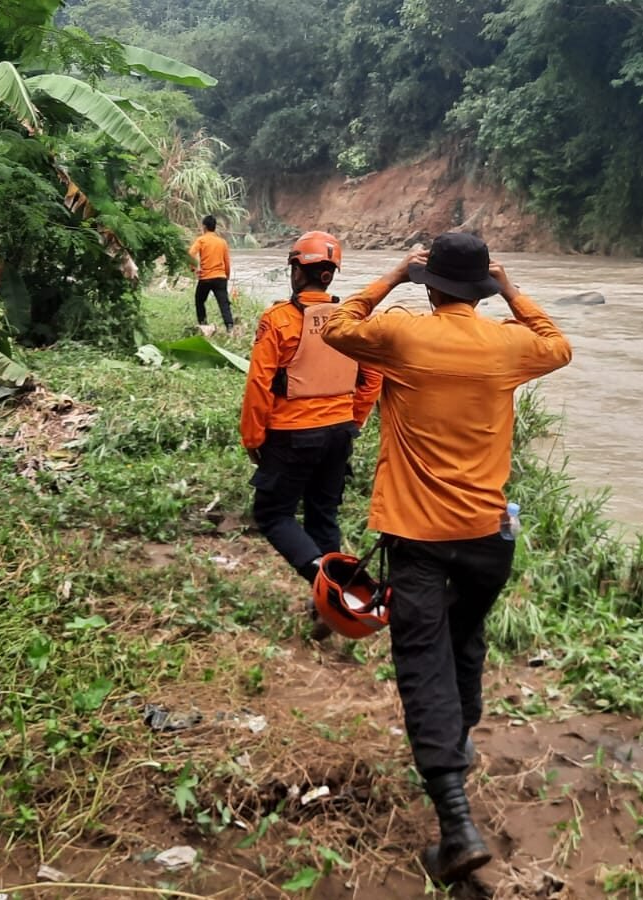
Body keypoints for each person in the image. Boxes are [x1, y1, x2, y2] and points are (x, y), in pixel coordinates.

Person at [322, 232, 572, 885]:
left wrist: (393, 276)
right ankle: (459, 741)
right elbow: (558, 344)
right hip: (489, 540)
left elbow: (337, 326)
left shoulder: (403, 337)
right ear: (482, 289)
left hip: (419, 539)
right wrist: (512, 290)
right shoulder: (509, 346)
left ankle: (456, 826)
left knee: (423, 666)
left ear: (429, 284)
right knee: (464, 641)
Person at [241, 231, 382, 636]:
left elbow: (259, 383)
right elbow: (373, 377)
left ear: (298, 272)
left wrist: (253, 438)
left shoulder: (278, 320)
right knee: (323, 515)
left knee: (272, 514)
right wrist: (354, 419)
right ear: (329, 275)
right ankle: (326, 606)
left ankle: (329, 586)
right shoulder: (351, 321)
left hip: (291, 435)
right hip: (339, 433)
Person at [188, 214, 233, 330]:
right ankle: (230, 327)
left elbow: (191, 254)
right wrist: (227, 276)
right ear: (214, 227)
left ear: (204, 227)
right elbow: (227, 261)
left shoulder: (201, 240)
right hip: (220, 277)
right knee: (224, 304)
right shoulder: (222, 242)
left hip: (206, 278)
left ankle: (203, 325)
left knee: (199, 301)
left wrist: (193, 268)